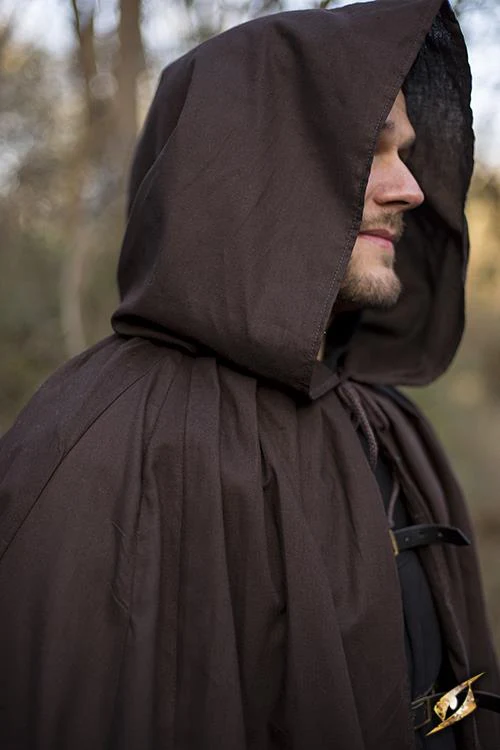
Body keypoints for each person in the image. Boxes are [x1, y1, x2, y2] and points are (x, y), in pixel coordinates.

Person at [0, 0, 499, 748]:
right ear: (262, 163)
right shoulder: (96, 446)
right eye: (372, 149)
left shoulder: (391, 427)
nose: (410, 189)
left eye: (406, 154)